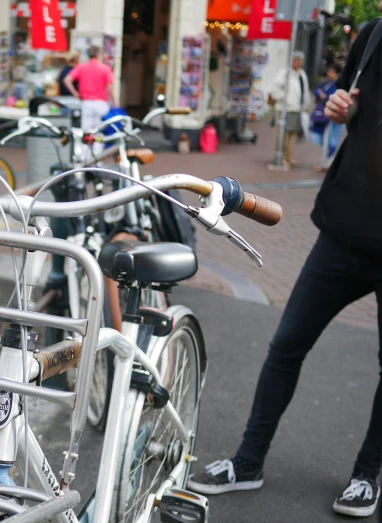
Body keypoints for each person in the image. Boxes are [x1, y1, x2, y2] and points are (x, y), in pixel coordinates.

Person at [188, 12, 382, 519]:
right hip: (344, 230)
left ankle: (366, 476)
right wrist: (340, 107)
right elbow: (343, 100)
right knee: (286, 344)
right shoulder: (374, 33)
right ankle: (248, 463)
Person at [63, 46, 116, 159]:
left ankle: (85, 158)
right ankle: (97, 158)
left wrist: (76, 94)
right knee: (99, 132)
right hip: (101, 103)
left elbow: (67, 80)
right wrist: (114, 103)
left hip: (86, 103)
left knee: (86, 132)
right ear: (98, 55)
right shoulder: (105, 68)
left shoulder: (81, 67)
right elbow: (110, 88)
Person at [270, 51, 311, 167]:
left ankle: (289, 156)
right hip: (284, 109)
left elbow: (305, 91)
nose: (298, 63)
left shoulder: (302, 74)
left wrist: (305, 105)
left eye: (300, 60)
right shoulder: (284, 73)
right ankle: (281, 156)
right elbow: (275, 89)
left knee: (293, 134)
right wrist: (285, 98)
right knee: (282, 134)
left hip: (297, 109)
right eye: (296, 60)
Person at [310, 64, 344, 172]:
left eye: (332, 72)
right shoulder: (326, 83)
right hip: (325, 115)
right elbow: (317, 90)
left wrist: (324, 95)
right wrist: (320, 93)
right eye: (329, 71)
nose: (330, 74)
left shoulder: (339, 84)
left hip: (333, 117)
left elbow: (333, 96)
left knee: (331, 140)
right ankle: (325, 163)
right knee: (324, 139)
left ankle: (327, 164)